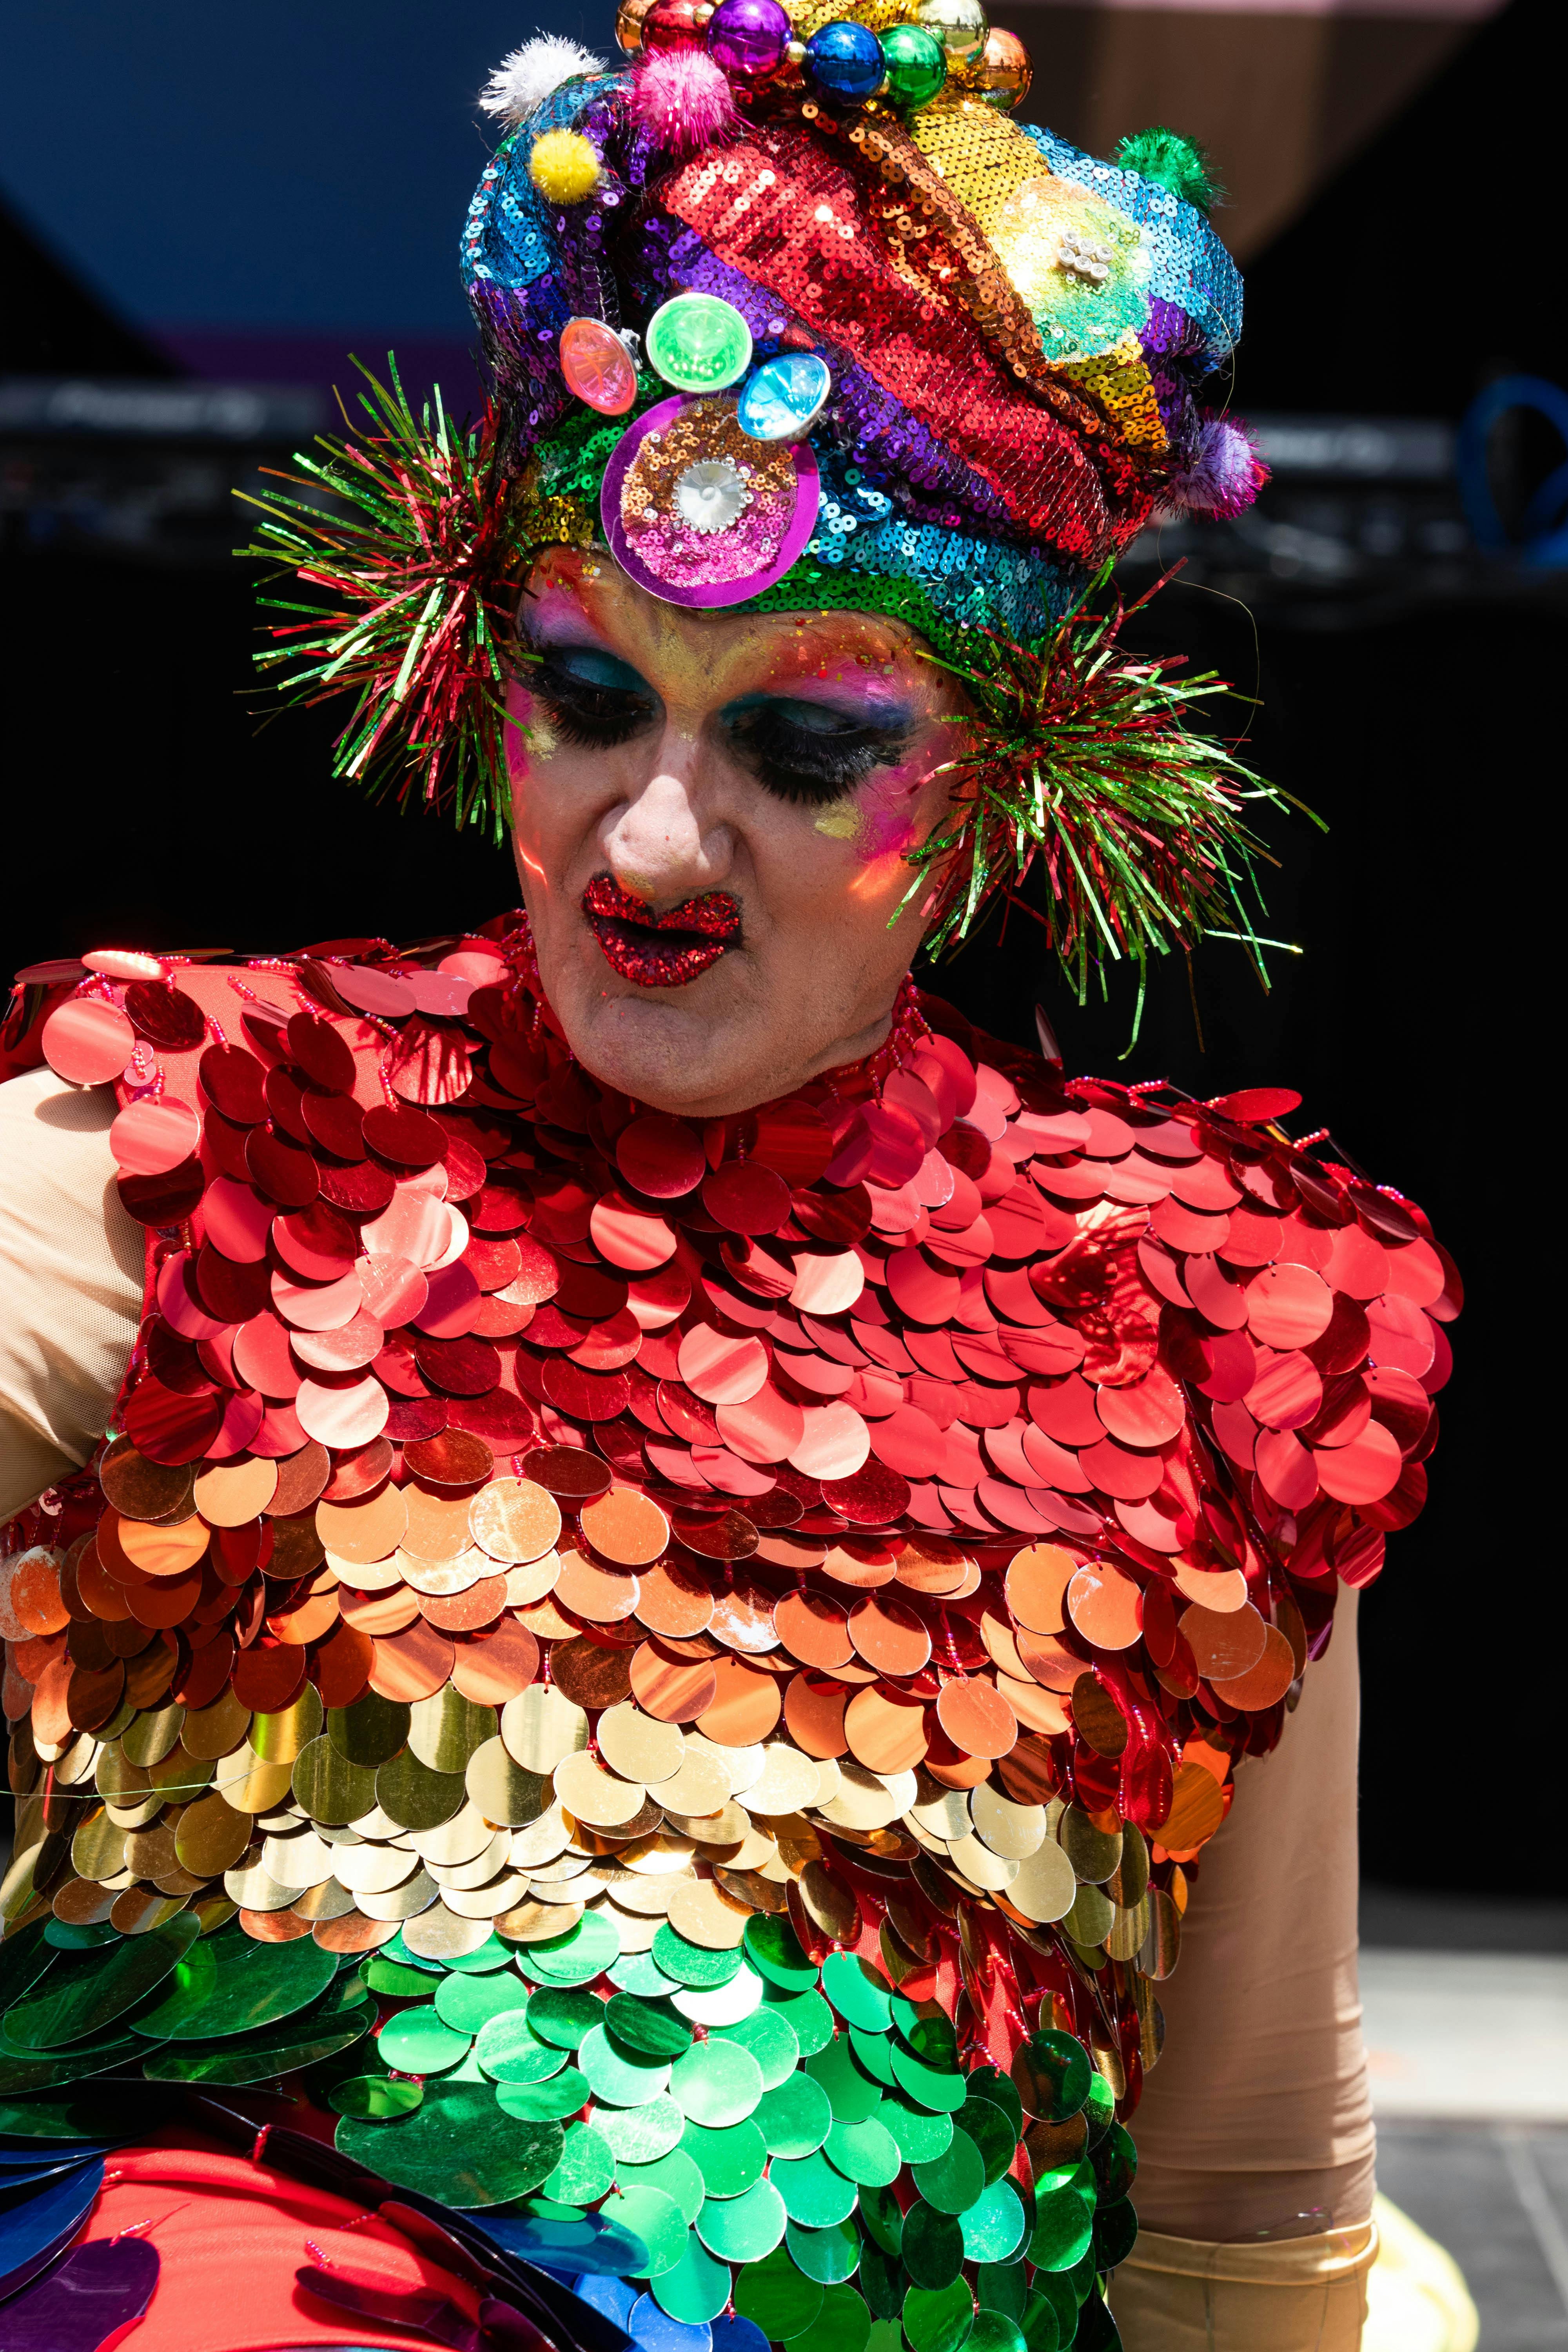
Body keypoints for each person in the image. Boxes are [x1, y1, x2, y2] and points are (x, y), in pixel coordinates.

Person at [0, 13, 1466, 2348]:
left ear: (996, 784)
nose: (655, 838)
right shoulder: (187, 1143)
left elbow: (1247, 2212)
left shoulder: (1213, 1327)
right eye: (590, 703)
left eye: (799, 742)